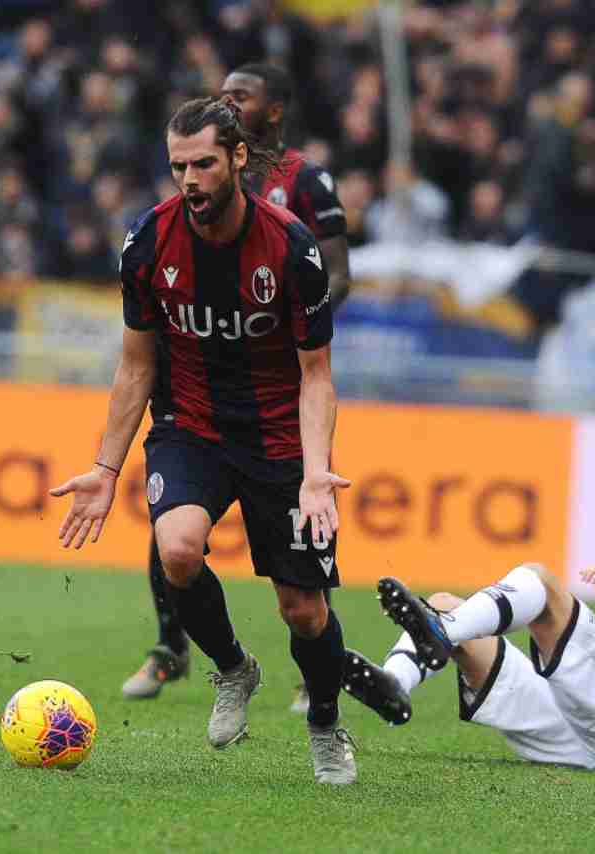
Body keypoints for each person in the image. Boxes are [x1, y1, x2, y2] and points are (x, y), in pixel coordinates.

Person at [50, 97, 356, 784]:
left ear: (238, 158)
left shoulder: (291, 248)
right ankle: (232, 669)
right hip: (189, 426)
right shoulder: (148, 242)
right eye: (177, 166)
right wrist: (105, 465)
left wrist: (314, 472)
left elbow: (316, 377)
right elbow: (135, 365)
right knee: (179, 549)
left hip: (278, 437)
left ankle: (326, 722)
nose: (189, 180)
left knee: (303, 610)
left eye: (203, 164)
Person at [121, 62, 350, 717]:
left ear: (267, 116)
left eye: (241, 97)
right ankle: (178, 649)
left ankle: (320, 697)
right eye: (222, 94)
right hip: (195, 396)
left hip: (282, 391)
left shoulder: (302, 186)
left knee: (301, 602)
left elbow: (337, 275)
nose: (228, 101)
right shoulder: (168, 216)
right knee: (177, 540)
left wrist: (286, 325)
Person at [342, 563, 595, 771]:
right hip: (575, 731)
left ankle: (440, 634)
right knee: (446, 602)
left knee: (542, 582)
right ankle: (395, 683)